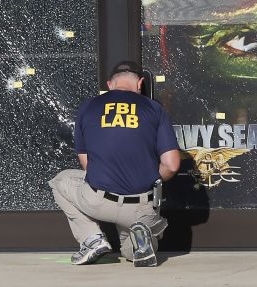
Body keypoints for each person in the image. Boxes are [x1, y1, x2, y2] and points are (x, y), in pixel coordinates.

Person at [49, 60, 181, 267]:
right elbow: (172, 165)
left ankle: (92, 239)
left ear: (110, 84)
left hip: (99, 200)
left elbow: (87, 165)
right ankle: (141, 237)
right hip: (141, 205)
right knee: (133, 249)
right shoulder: (155, 109)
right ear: (140, 84)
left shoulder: (89, 107)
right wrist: (150, 179)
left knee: (60, 181)